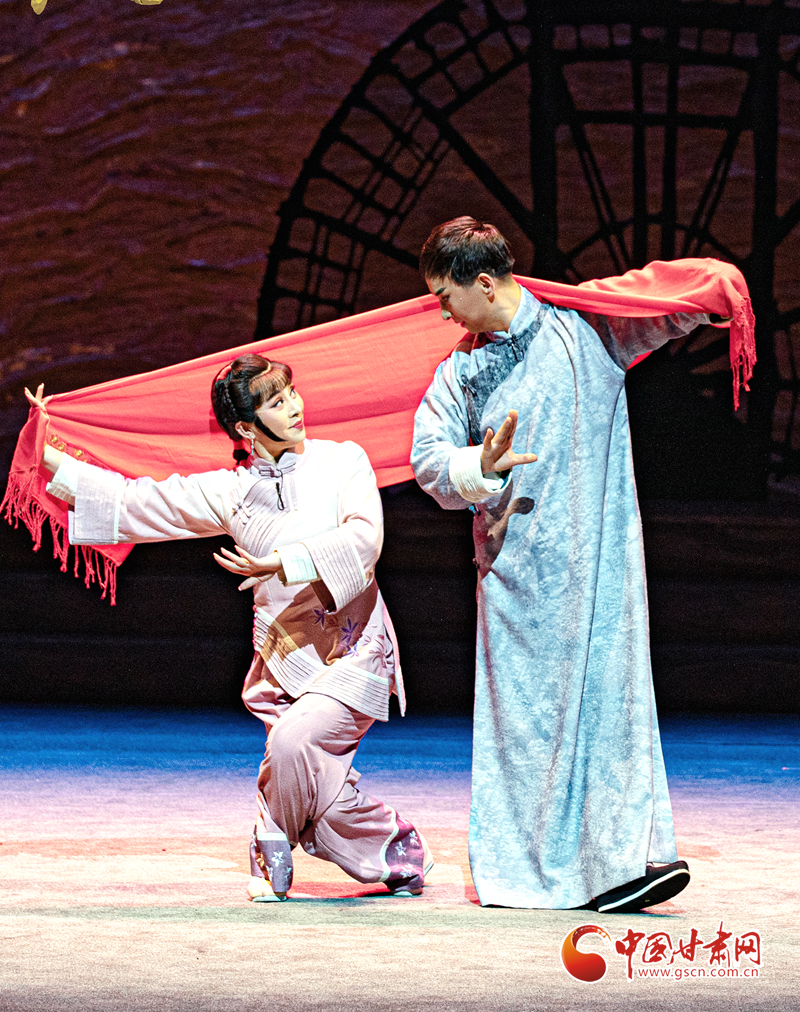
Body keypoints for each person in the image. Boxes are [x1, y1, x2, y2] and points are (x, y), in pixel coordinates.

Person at [26, 354, 432, 902]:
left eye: (291, 393)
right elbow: (137, 502)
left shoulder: (343, 461)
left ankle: (269, 847)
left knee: (292, 743)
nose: (295, 407)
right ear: (245, 426)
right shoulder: (231, 492)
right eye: (276, 402)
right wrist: (42, 451)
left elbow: (365, 541)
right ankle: (396, 850)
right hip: (285, 658)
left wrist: (285, 562)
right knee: (312, 778)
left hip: (354, 650)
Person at [411, 217, 697, 912]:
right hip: (518, 580)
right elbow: (428, 459)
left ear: (484, 283)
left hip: (600, 567)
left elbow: (667, 310)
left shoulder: (586, 333)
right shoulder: (461, 372)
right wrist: (477, 465)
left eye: (445, 296)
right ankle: (531, 873)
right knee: (528, 733)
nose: (442, 312)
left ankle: (624, 862)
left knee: (611, 710)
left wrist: (716, 296)